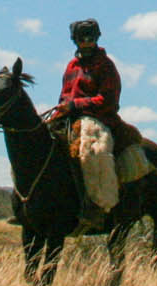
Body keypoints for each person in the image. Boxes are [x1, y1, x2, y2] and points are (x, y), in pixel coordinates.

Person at [49, 17, 121, 231]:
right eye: (82, 38)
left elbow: (108, 100)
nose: (87, 42)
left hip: (97, 117)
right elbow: (64, 95)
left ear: (97, 38)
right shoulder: (71, 65)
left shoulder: (106, 65)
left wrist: (75, 105)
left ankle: (98, 207)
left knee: (93, 152)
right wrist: (62, 108)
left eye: (91, 37)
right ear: (75, 40)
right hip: (69, 117)